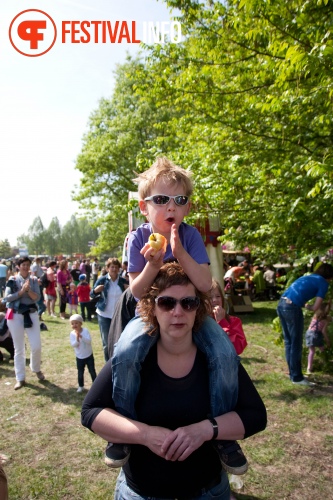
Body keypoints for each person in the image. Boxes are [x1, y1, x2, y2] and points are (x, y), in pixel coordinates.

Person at [106, 158, 247, 475]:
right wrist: (153, 265)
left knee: (225, 353)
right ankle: (124, 428)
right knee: (125, 353)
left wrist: (179, 250)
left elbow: (203, 283)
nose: (171, 206)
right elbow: (137, 292)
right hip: (149, 314)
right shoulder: (138, 239)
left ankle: (222, 434)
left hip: (192, 314)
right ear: (144, 207)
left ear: (187, 207)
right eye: (161, 199)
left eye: (180, 200)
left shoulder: (191, 237)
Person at [82, 263, 267, 500]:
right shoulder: (132, 357)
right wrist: (144, 435)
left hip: (209, 492)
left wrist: (205, 430)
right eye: (167, 303)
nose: (177, 312)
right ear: (152, 308)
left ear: (198, 308)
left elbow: (255, 415)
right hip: (139, 492)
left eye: (188, 303)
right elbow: (90, 411)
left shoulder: (218, 359)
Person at [277, 262, 333, 385]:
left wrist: (304, 304)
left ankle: (293, 374)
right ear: (329, 276)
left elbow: (295, 292)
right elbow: (315, 308)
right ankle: (297, 378)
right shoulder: (323, 283)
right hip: (292, 308)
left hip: (281, 304)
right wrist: (308, 306)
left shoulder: (307, 277)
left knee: (289, 342)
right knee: (296, 343)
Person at [3, 257, 45, 390]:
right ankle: (20, 378)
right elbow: (7, 298)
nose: (26, 267)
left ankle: (36, 368)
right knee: (19, 348)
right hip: (15, 315)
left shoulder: (33, 280)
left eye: (28, 265)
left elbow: (37, 297)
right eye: (23, 265)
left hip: (31, 313)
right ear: (18, 267)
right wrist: (21, 292)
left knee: (36, 345)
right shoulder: (12, 280)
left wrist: (28, 290)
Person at [90, 258, 128, 362]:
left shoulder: (123, 281)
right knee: (107, 344)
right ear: (107, 268)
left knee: (119, 341)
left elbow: (131, 297)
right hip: (104, 314)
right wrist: (96, 290)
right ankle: (108, 365)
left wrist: (129, 289)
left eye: (116, 267)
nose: (114, 269)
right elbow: (91, 294)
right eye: (112, 267)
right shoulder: (102, 280)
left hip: (119, 315)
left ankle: (118, 361)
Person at [210, 278, 248, 356]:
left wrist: (222, 323)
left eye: (218, 296)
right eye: (210, 297)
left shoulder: (234, 321)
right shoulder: (199, 322)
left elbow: (237, 348)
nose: (214, 300)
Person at [69, 314, 97, 393]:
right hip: (79, 357)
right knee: (80, 372)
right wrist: (77, 339)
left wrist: (81, 336)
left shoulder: (85, 331)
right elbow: (73, 345)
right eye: (72, 323)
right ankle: (81, 386)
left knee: (92, 370)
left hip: (88, 355)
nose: (74, 325)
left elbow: (88, 341)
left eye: (76, 323)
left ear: (81, 323)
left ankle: (95, 384)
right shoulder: (72, 334)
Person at [305, 301, 331, 374]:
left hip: (309, 333)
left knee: (312, 351)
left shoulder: (315, 315)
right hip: (317, 335)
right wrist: (328, 341)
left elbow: (308, 306)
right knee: (322, 349)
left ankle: (309, 368)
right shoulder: (325, 320)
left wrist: (306, 304)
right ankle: (326, 364)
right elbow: (323, 332)